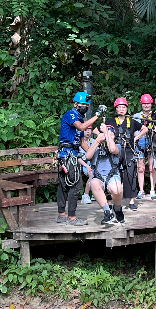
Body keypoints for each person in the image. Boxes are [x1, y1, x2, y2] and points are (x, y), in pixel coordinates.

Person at [56, 91, 99, 226]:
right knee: (76, 184)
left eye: (86, 105)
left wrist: (93, 153)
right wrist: (97, 115)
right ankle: (72, 217)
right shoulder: (71, 115)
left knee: (64, 184)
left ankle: (62, 215)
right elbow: (81, 127)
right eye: (82, 105)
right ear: (75, 104)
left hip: (71, 154)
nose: (85, 107)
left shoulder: (79, 119)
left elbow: (82, 142)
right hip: (67, 154)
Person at [86, 121, 125, 225]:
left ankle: (117, 208)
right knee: (93, 183)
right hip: (98, 176)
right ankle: (108, 212)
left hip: (112, 176)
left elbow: (112, 149)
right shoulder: (96, 146)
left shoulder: (117, 146)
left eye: (110, 133)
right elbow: (88, 156)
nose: (107, 134)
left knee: (117, 189)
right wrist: (98, 139)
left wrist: (107, 133)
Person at [107, 97, 141, 207]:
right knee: (111, 173)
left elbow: (144, 129)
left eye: (123, 107)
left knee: (130, 174)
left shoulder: (131, 121)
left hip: (128, 150)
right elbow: (96, 130)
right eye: (119, 107)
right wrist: (108, 139)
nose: (121, 109)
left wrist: (136, 138)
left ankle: (131, 201)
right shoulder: (110, 121)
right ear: (116, 109)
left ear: (126, 109)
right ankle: (110, 201)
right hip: (115, 150)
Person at [132, 94, 155, 203]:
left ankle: (152, 189)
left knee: (152, 167)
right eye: (144, 103)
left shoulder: (154, 115)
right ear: (141, 104)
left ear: (151, 104)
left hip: (152, 142)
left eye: (148, 103)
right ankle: (141, 190)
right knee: (140, 168)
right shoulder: (136, 116)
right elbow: (132, 129)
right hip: (139, 142)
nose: (146, 105)